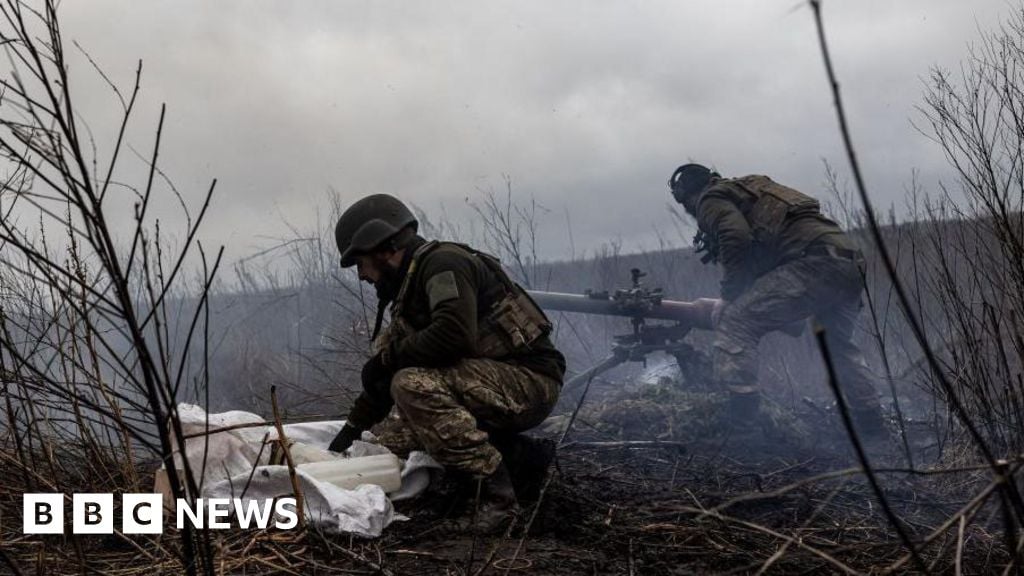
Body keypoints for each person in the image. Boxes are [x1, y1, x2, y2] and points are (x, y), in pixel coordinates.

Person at [327, 193, 565, 532]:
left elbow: (453, 334)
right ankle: (520, 458)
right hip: (491, 383)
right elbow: (380, 383)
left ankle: (498, 498)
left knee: (410, 385)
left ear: (381, 246)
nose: (362, 276)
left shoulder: (443, 263)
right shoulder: (410, 289)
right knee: (391, 441)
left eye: (360, 263)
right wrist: (347, 436)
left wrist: (390, 360)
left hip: (529, 381)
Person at [668, 163, 885, 437]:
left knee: (736, 322)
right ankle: (873, 429)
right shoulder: (751, 186)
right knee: (838, 347)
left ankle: (743, 428)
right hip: (848, 262)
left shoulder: (710, 199)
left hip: (814, 263)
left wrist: (729, 295)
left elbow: (735, 236)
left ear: (688, 196)